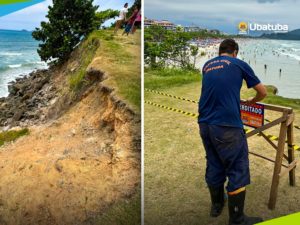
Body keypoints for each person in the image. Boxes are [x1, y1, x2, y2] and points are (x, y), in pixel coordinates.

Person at [198, 39, 267, 225]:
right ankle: (237, 219)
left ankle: (217, 205)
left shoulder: (207, 65)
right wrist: (251, 102)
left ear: (220, 51)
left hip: (204, 123)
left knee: (214, 162)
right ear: (235, 51)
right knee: (237, 168)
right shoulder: (239, 63)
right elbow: (263, 92)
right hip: (227, 125)